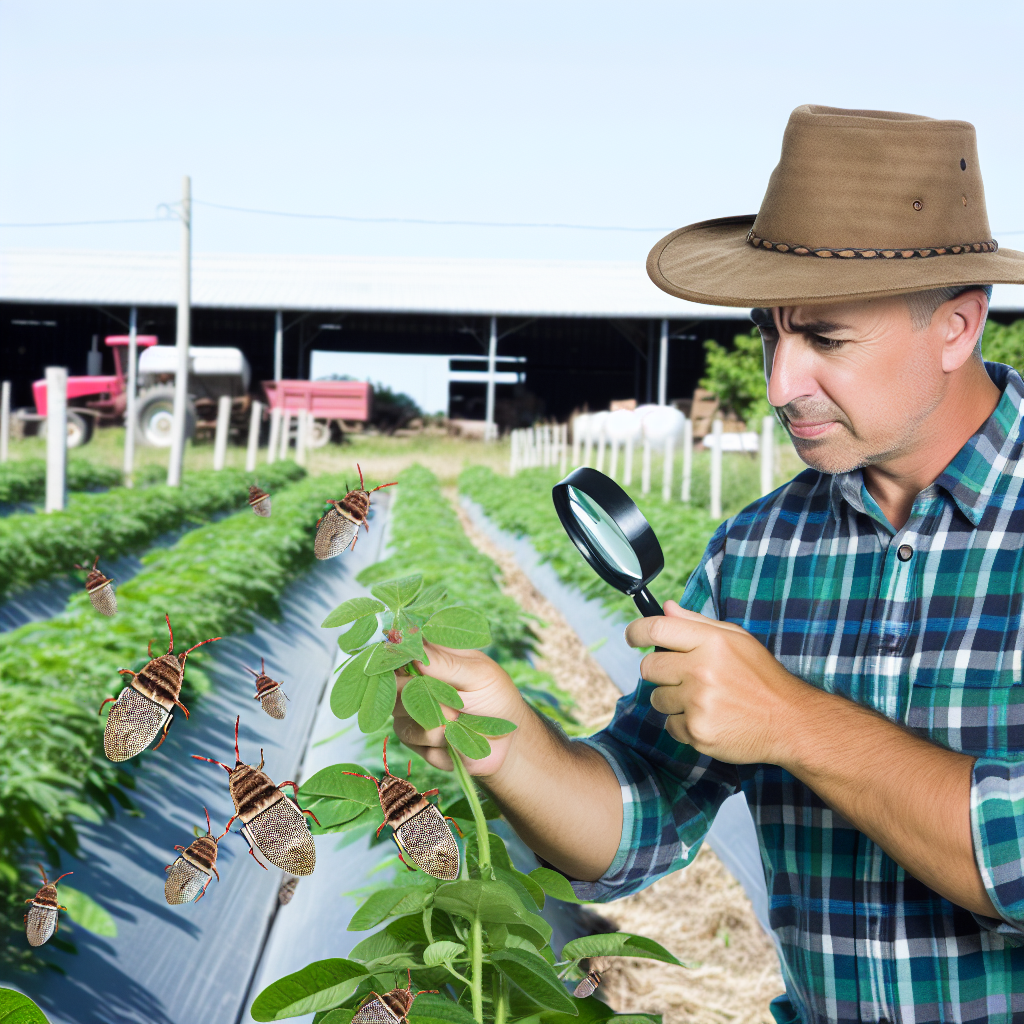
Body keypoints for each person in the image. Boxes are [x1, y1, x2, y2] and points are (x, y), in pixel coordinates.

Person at [394, 106, 1024, 1024]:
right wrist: (514, 743)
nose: (780, 385)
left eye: (826, 339)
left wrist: (793, 722)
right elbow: (640, 821)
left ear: (958, 327)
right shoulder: (760, 550)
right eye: (772, 334)